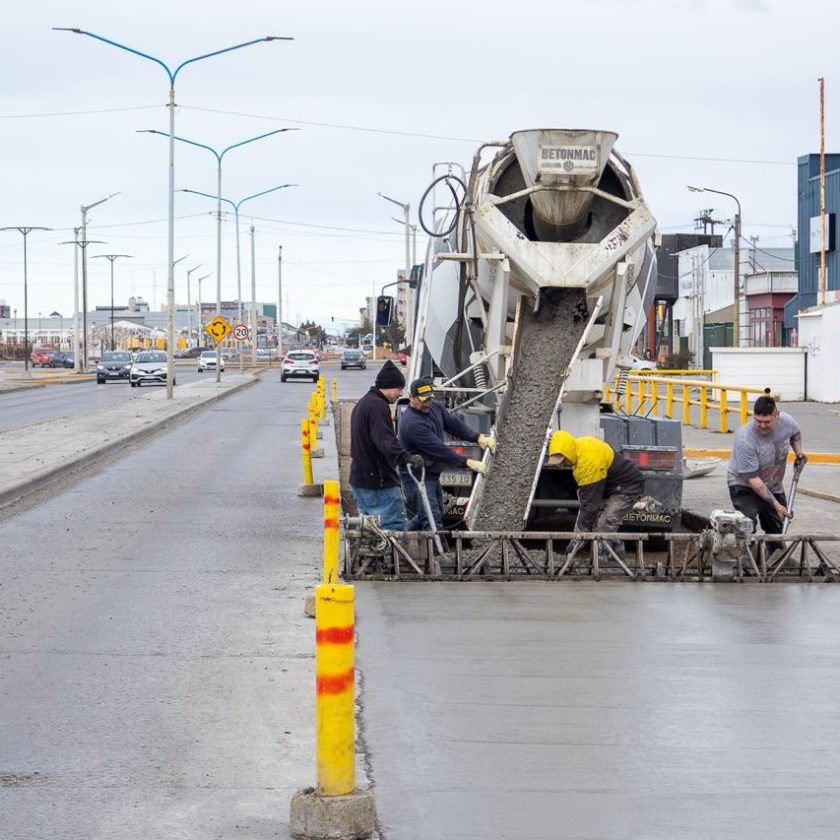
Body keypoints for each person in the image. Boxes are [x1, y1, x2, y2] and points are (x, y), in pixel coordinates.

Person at [397, 377, 497, 532]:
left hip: (430, 473)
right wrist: (467, 463)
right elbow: (439, 449)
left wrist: (478, 438)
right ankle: (436, 554)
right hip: (416, 478)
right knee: (431, 520)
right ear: (411, 397)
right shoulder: (413, 424)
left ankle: (399, 540)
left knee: (431, 514)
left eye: (430, 398)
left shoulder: (434, 408)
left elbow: (454, 425)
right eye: (424, 400)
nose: (428, 403)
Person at [349, 360, 424, 530]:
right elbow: (385, 440)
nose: (400, 394)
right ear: (389, 386)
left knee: (370, 529)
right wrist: (406, 457)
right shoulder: (378, 406)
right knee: (393, 527)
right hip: (378, 481)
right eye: (399, 389)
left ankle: (369, 557)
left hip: (360, 479)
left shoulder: (364, 403)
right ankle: (393, 557)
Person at [547, 430, 645, 559]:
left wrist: (577, 538)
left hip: (627, 487)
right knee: (596, 523)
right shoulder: (580, 448)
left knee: (605, 523)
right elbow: (587, 500)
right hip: (611, 487)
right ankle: (617, 555)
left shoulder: (588, 463)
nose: (562, 465)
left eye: (563, 461)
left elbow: (589, 506)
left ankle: (603, 560)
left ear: (568, 453)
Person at [727, 395, 807, 547]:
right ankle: (746, 561)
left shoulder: (787, 422)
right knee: (747, 525)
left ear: (777, 415)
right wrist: (776, 505)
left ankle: (774, 557)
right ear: (753, 416)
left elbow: (795, 434)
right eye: (758, 421)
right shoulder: (745, 439)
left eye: (767, 422)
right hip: (744, 484)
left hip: (772, 484)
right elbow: (754, 481)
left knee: (778, 526)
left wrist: (799, 453)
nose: (762, 426)